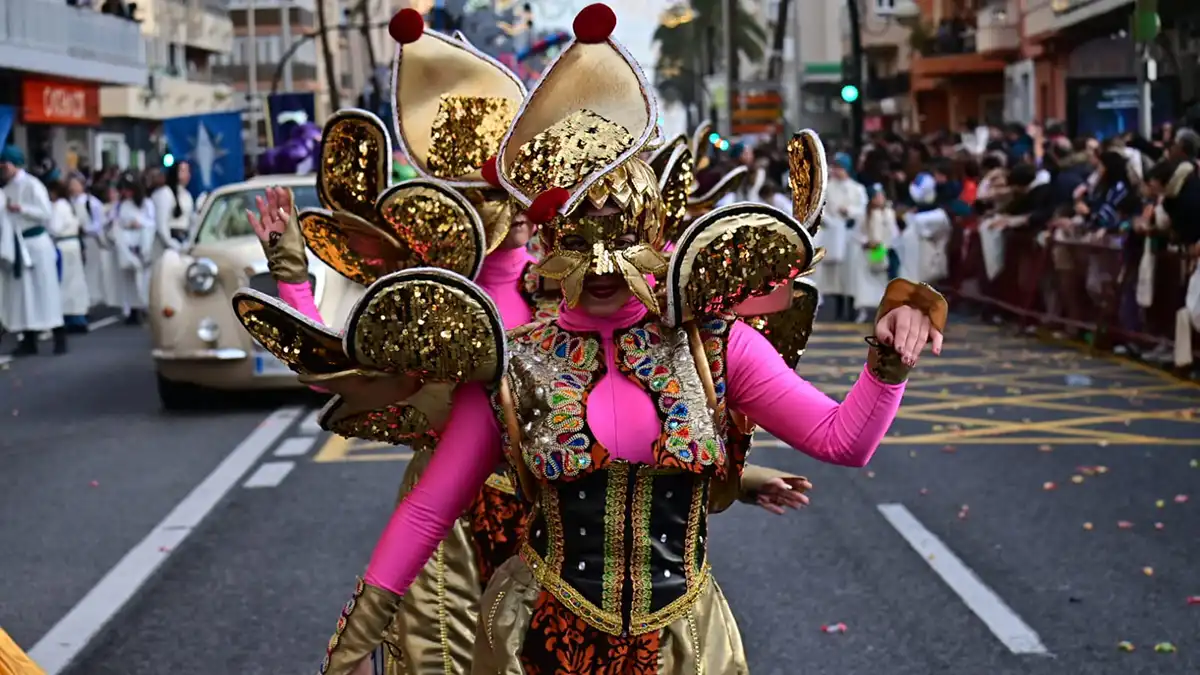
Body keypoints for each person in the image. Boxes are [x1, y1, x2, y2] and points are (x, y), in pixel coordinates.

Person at [245, 7, 945, 674]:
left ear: (653, 236)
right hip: (537, 644)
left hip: (683, 650)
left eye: (621, 236)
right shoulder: (512, 362)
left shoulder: (712, 346)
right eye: (579, 237)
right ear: (548, 237)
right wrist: (351, 641)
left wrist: (888, 360)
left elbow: (842, 439)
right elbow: (430, 505)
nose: (603, 264)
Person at [0, 145, 66, 356]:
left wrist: (22, 208)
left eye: (6, 163)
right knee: (24, 294)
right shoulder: (6, 188)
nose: (2, 167)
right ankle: (29, 339)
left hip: (36, 244)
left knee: (45, 291)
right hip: (18, 245)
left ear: (16, 164)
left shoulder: (32, 184)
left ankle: (59, 336)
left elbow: (46, 213)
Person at [815, 151, 867, 320]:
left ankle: (851, 308)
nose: (836, 171)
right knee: (835, 275)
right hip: (833, 235)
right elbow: (820, 209)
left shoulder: (857, 189)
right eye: (835, 167)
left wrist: (849, 212)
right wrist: (829, 221)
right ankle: (837, 308)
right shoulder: (827, 188)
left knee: (850, 273)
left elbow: (863, 210)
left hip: (852, 236)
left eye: (840, 168)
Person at [849, 183, 897, 322]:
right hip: (867, 252)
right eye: (877, 196)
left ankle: (882, 310)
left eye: (881, 196)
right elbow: (856, 233)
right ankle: (862, 311)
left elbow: (893, 233)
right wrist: (866, 242)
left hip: (882, 251)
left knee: (882, 281)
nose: (880, 199)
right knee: (864, 284)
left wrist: (885, 246)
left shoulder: (889, 213)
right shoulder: (864, 215)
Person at [47, 179, 89, 335]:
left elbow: (55, 228)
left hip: (63, 246)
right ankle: (78, 316)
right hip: (73, 245)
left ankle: (67, 316)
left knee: (64, 283)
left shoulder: (58, 207)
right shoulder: (70, 204)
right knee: (76, 283)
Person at [114, 175, 155, 325]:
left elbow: (151, 222)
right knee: (128, 280)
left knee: (144, 279)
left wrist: (140, 223)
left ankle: (145, 307)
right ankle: (132, 308)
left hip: (142, 243)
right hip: (128, 243)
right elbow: (119, 222)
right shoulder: (123, 205)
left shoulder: (147, 203)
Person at [151, 160, 193, 261]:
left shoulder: (187, 195)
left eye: (188, 171)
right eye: (183, 171)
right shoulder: (165, 193)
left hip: (183, 241)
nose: (187, 174)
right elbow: (162, 225)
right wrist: (172, 244)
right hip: (169, 246)